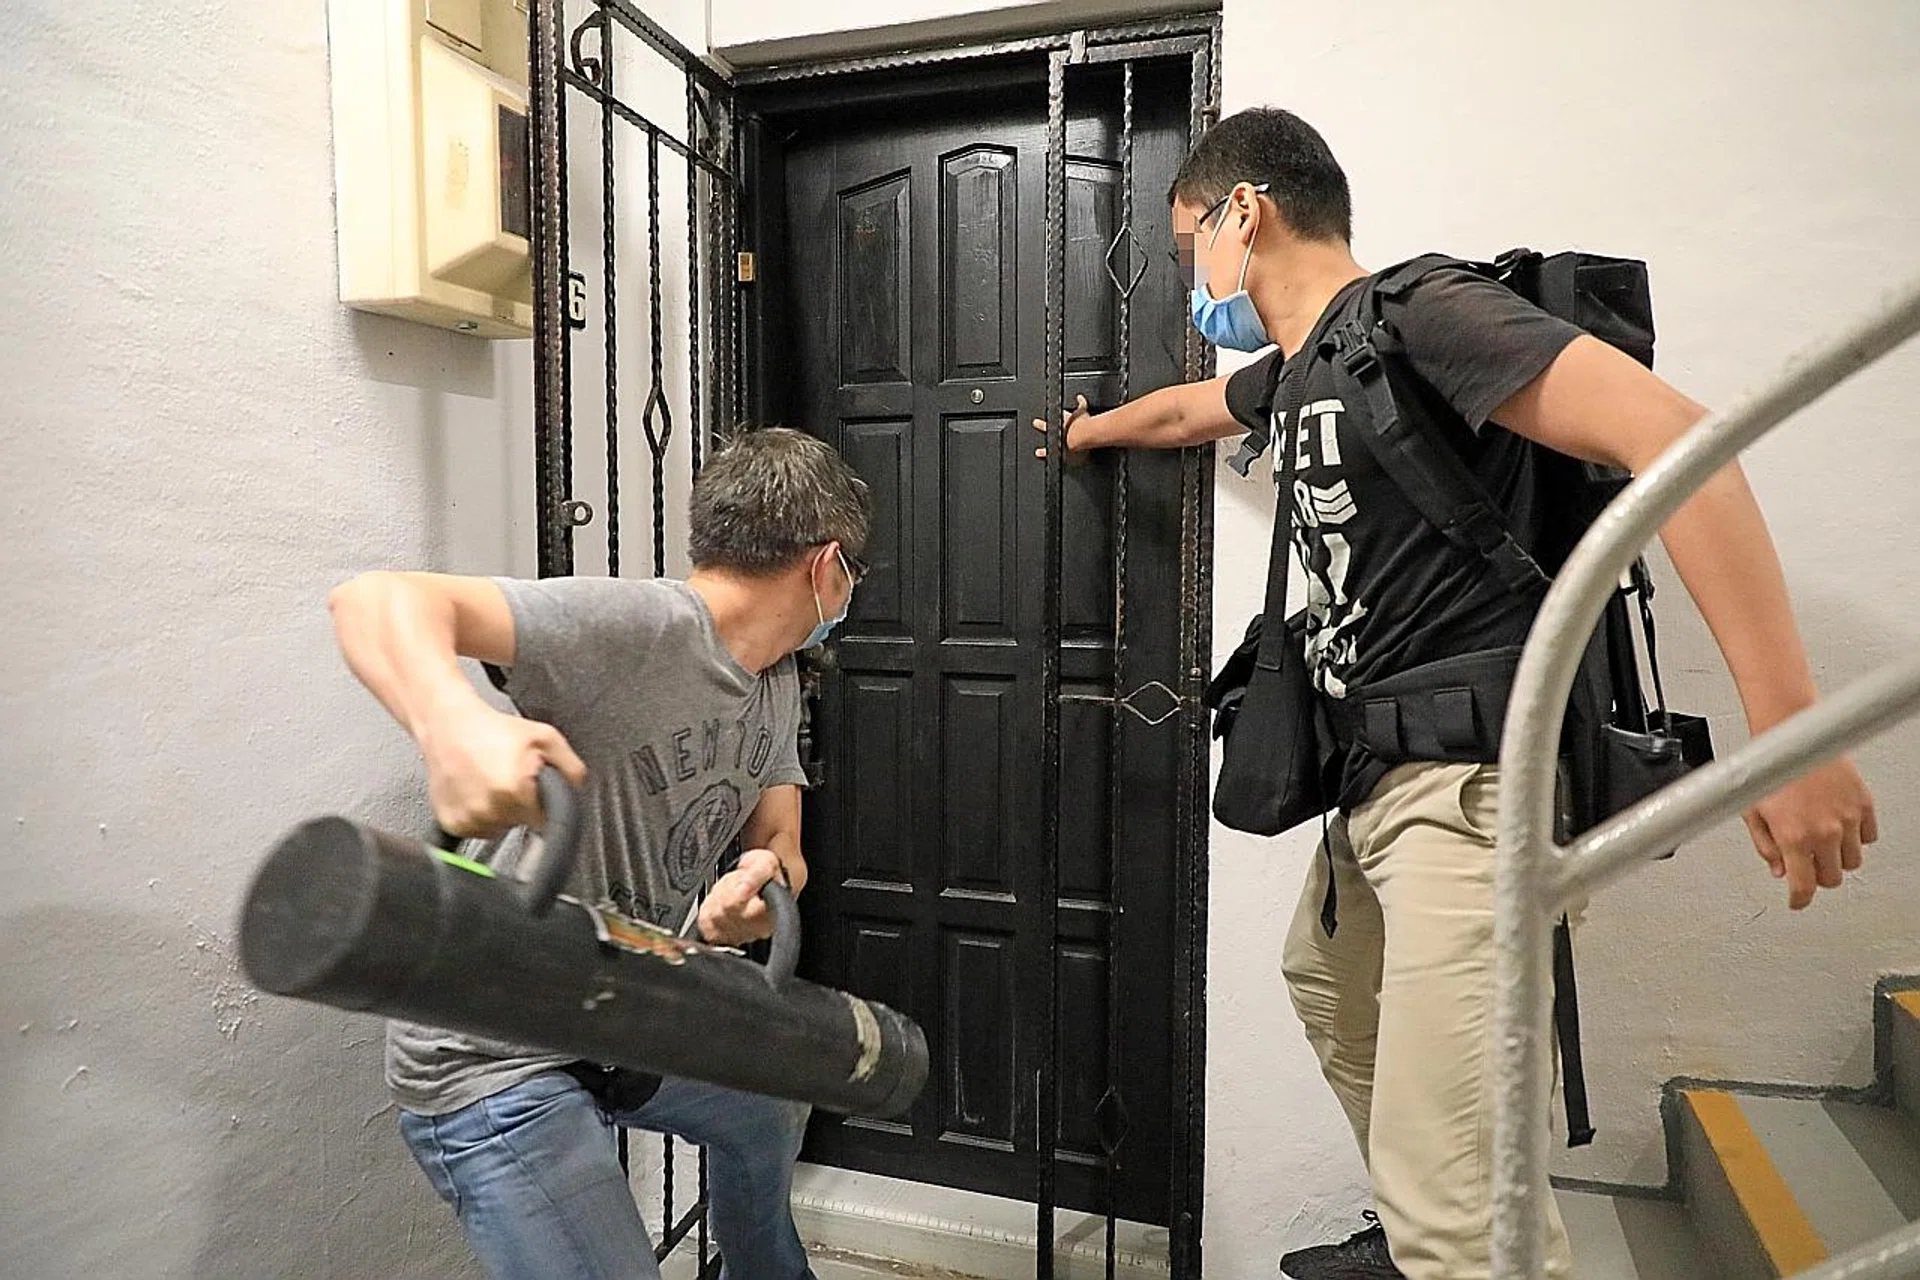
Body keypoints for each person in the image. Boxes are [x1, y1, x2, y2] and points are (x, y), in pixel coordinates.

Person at [1035, 108, 1877, 1279]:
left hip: (1466, 791)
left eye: (1190, 248)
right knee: (1331, 992)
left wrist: (1791, 736)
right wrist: (1090, 433)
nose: (1195, 283)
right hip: (1374, 786)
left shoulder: (1419, 312)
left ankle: (1460, 1231)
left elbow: (1683, 442)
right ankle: (1445, 1210)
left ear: (1244, 213)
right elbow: (1187, 411)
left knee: (1458, 1218)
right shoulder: (1303, 367)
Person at [327, 427, 871, 1280]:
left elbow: (779, 841)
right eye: (854, 576)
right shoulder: (641, 628)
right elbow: (373, 600)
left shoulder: (776, 679)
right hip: (495, 1049)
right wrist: (453, 728)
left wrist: (762, 880)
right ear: (828, 567)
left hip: (618, 1008)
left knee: (769, 1099)